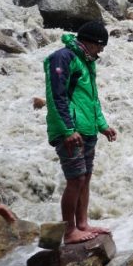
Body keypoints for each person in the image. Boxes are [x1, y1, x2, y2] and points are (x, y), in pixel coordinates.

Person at [44, 21, 117, 244]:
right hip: (70, 132)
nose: (101, 50)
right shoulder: (62, 57)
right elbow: (56, 96)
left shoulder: (87, 62)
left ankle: (83, 224)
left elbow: (92, 99)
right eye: (100, 45)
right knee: (75, 179)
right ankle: (69, 232)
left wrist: (102, 125)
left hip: (87, 130)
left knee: (84, 178)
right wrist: (68, 130)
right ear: (90, 42)